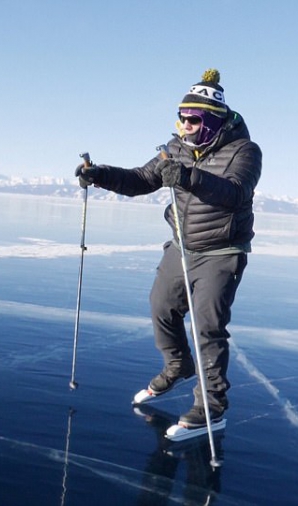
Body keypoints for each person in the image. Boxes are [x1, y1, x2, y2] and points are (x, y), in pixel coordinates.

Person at [74, 68, 262, 428]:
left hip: (221, 251)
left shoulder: (245, 151)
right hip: (182, 246)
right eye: (181, 117)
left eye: (193, 118)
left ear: (211, 120)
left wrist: (189, 178)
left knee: (208, 327)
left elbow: (235, 193)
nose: (185, 124)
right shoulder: (175, 149)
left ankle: (211, 406)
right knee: (161, 307)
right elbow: (141, 179)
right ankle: (178, 365)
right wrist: (99, 174)